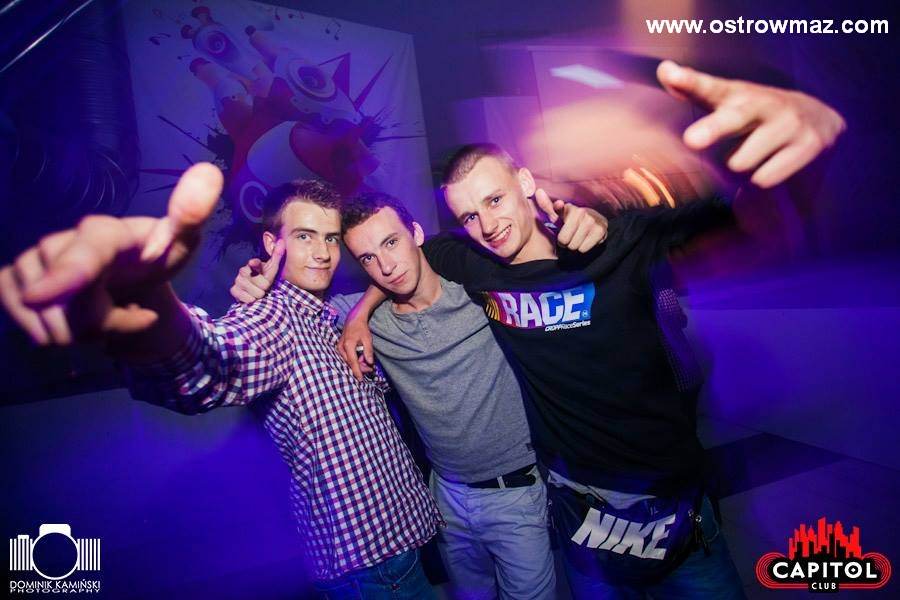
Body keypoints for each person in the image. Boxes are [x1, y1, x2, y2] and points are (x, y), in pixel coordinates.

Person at [338, 61, 846, 598]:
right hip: (582, 511)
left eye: (495, 199)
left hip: (673, 500)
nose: (486, 225)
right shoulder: (472, 262)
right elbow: (400, 263)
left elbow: (744, 224)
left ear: (524, 182)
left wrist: (807, 148)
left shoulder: (617, 242)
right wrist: (359, 313)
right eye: (468, 217)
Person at [0, 171, 442, 598]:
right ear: (272, 244)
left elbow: (392, 277)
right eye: (305, 236)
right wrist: (158, 317)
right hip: (370, 570)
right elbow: (219, 357)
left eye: (330, 239)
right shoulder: (272, 319)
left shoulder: (330, 315)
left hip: (397, 543)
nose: (323, 253)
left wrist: (361, 313)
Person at [230, 189, 608, 599]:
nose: (386, 266)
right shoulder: (364, 321)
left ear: (416, 233)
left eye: (392, 242)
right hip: (444, 499)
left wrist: (592, 220)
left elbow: (529, 257)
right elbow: (298, 309)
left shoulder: (480, 293)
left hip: (516, 494)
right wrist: (263, 291)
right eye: (368, 258)